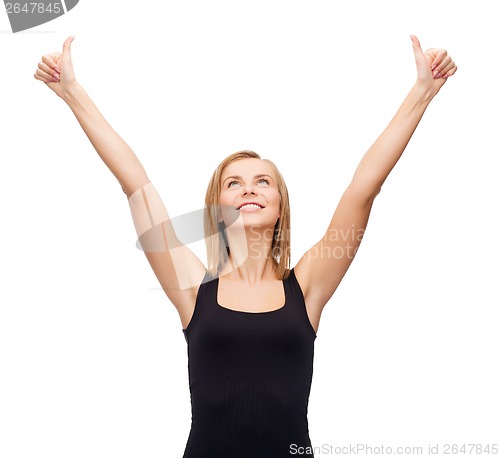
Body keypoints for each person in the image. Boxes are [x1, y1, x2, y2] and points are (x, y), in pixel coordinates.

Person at [34, 35, 457, 458]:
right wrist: (72, 92)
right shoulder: (192, 287)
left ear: (279, 205)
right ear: (218, 208)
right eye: (233, 183)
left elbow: (363, 190)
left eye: (262, 182)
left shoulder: (308, 285)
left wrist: (421, 92)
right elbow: (136, 186)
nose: (248, 190)